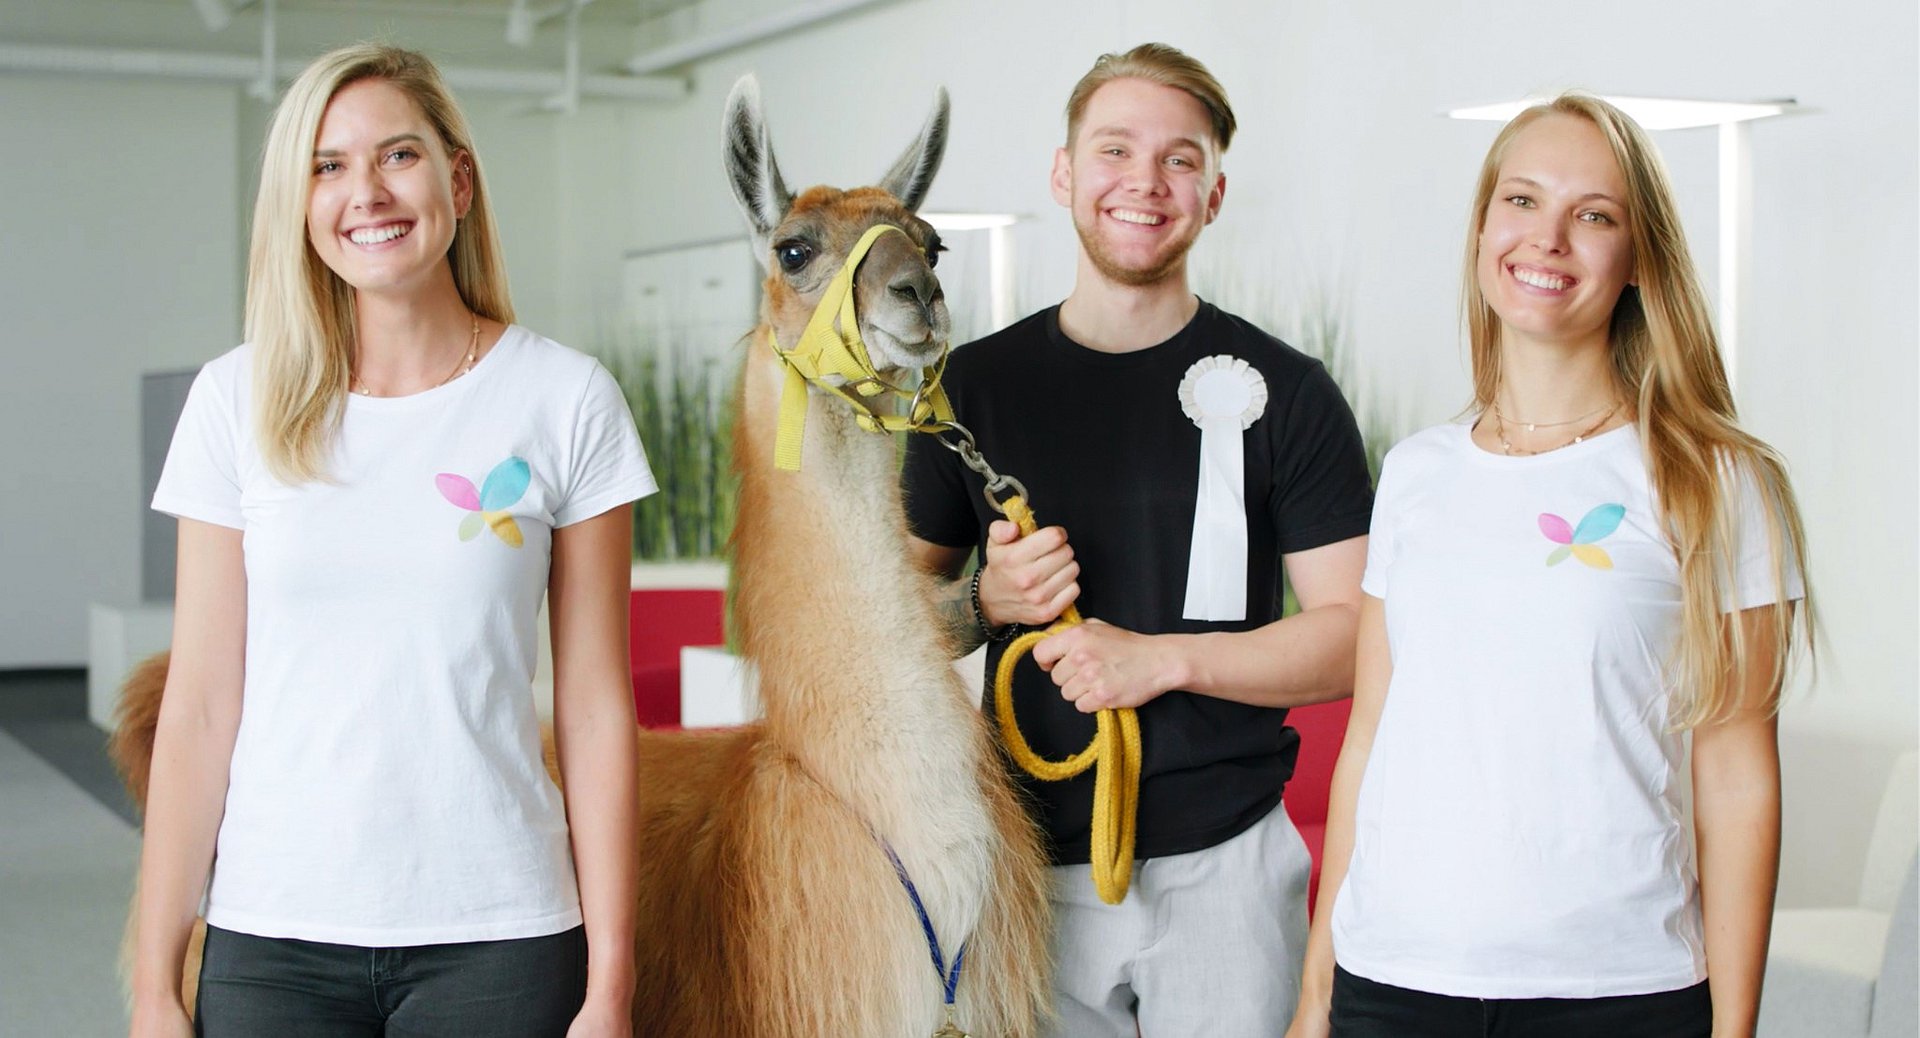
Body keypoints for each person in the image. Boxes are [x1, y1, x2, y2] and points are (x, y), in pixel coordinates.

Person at [130, 45, 651, 1037]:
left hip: (499, 935)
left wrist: (610, 985)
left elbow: (593, 708)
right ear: (297, 201)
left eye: (396, 155)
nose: (364, 192)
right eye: (327, 166)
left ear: (457, 179)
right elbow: (199, 707)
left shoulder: (565, 398)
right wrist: (156, 984)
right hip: (271, 934)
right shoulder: (233, 402)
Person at [1286, 94, 1813, 1038]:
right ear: (1485, 226)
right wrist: (1316, 994)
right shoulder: (1414, 473)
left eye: (1595, 215)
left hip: (1617, 993)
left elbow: (1737, 777)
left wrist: (1734, 1031)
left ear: (1639, 257)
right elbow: (1372, 739)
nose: (1549, 239)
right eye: (1522, 201)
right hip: (1390, 984)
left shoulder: (1715, 479)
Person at [902, 43, 1373, 1036]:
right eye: (1115, 150)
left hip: (1230, 867)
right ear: (1066, 174)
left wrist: (1159, 662)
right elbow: (891, 627)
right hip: (1026, 867)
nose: (1145, 183)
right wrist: (983, 604)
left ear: (1214, 192)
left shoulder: (1289, 393)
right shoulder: (968, 392)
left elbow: (1353, 639)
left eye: (1181, 159)